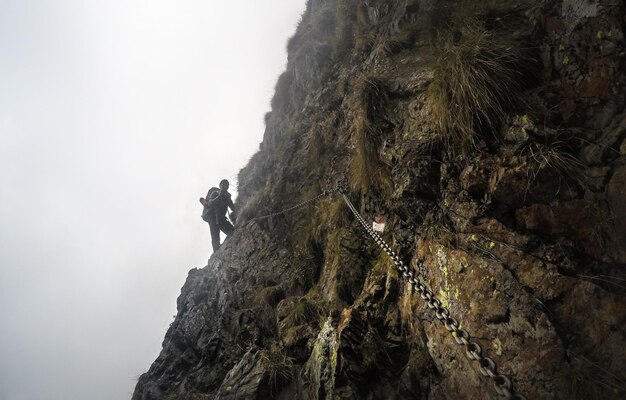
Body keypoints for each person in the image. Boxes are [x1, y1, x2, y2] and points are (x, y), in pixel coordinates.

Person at [205, 179, 236, 252]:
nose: (225, 186)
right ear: (220, 185)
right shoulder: (215, 193)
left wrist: (229, 199)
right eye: (223, 184)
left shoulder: (227, 197)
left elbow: (233, 208)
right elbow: (210, 203)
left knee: (232, 232)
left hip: (221, 219)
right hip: (213, 218)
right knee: (215, 238)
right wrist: (219, 196)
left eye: (226, 185)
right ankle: (216, 254)